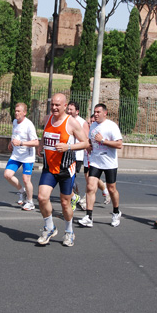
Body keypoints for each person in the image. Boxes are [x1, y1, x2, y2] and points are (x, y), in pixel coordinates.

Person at [36, 93, 89, 247]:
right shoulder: (47, 119)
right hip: (49, 167)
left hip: (66, 169)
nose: (54, 107)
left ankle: (69, 231)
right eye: (52, 104)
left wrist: (69, 146)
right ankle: (49, 227)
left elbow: (85, 143)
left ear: (65, 106)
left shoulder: (71, 122)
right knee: (41, 198)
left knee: (65, 204)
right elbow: (44, 136)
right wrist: (40, 146)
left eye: (57, 105)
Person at [78, 103, 123, 228]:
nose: (96, 114)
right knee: (90, 187)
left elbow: (119, 144)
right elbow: (91, 141)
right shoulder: (92, 125)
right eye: (95, 112)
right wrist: (89, 146)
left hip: (109, 163)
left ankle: (116, 212)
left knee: (112, 188)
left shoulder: (111, 126)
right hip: (95, 161)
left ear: (105, 113)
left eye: (98, 112)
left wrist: (103, 140)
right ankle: (89, 216)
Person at [3, 103, 39, 211]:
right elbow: (15, 134)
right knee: (7, 175)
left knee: (26, 179)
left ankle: (30, 202)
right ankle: (22, 191)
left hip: (27, 156)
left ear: (24, 113)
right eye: (16, 111)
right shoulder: (14, 122)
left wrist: (22, 143)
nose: (17, 113)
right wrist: (11, 142)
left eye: (19, 111)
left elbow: (36, 142)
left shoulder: (29, 124)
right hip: (16, 154)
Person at [77, 113, 111, 211]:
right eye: (89, 122)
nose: (90, 123)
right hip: (87, 158)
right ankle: (104, 189)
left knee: (91, 180)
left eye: (92, 122)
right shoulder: (86, 131)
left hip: (96, 159)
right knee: (88, 179)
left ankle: (84, 200)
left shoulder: (98, 132)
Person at [67, 101, 87, 211]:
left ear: (77, 111)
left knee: (69, 178)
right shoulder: (65, 120)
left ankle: (74, 198)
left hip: (77, 156)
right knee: (69, 178)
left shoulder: (82, 122)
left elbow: (86, 139)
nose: (69, 111)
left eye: (71, 109)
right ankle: (74, 196)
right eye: (68, 109)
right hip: (66, 154)